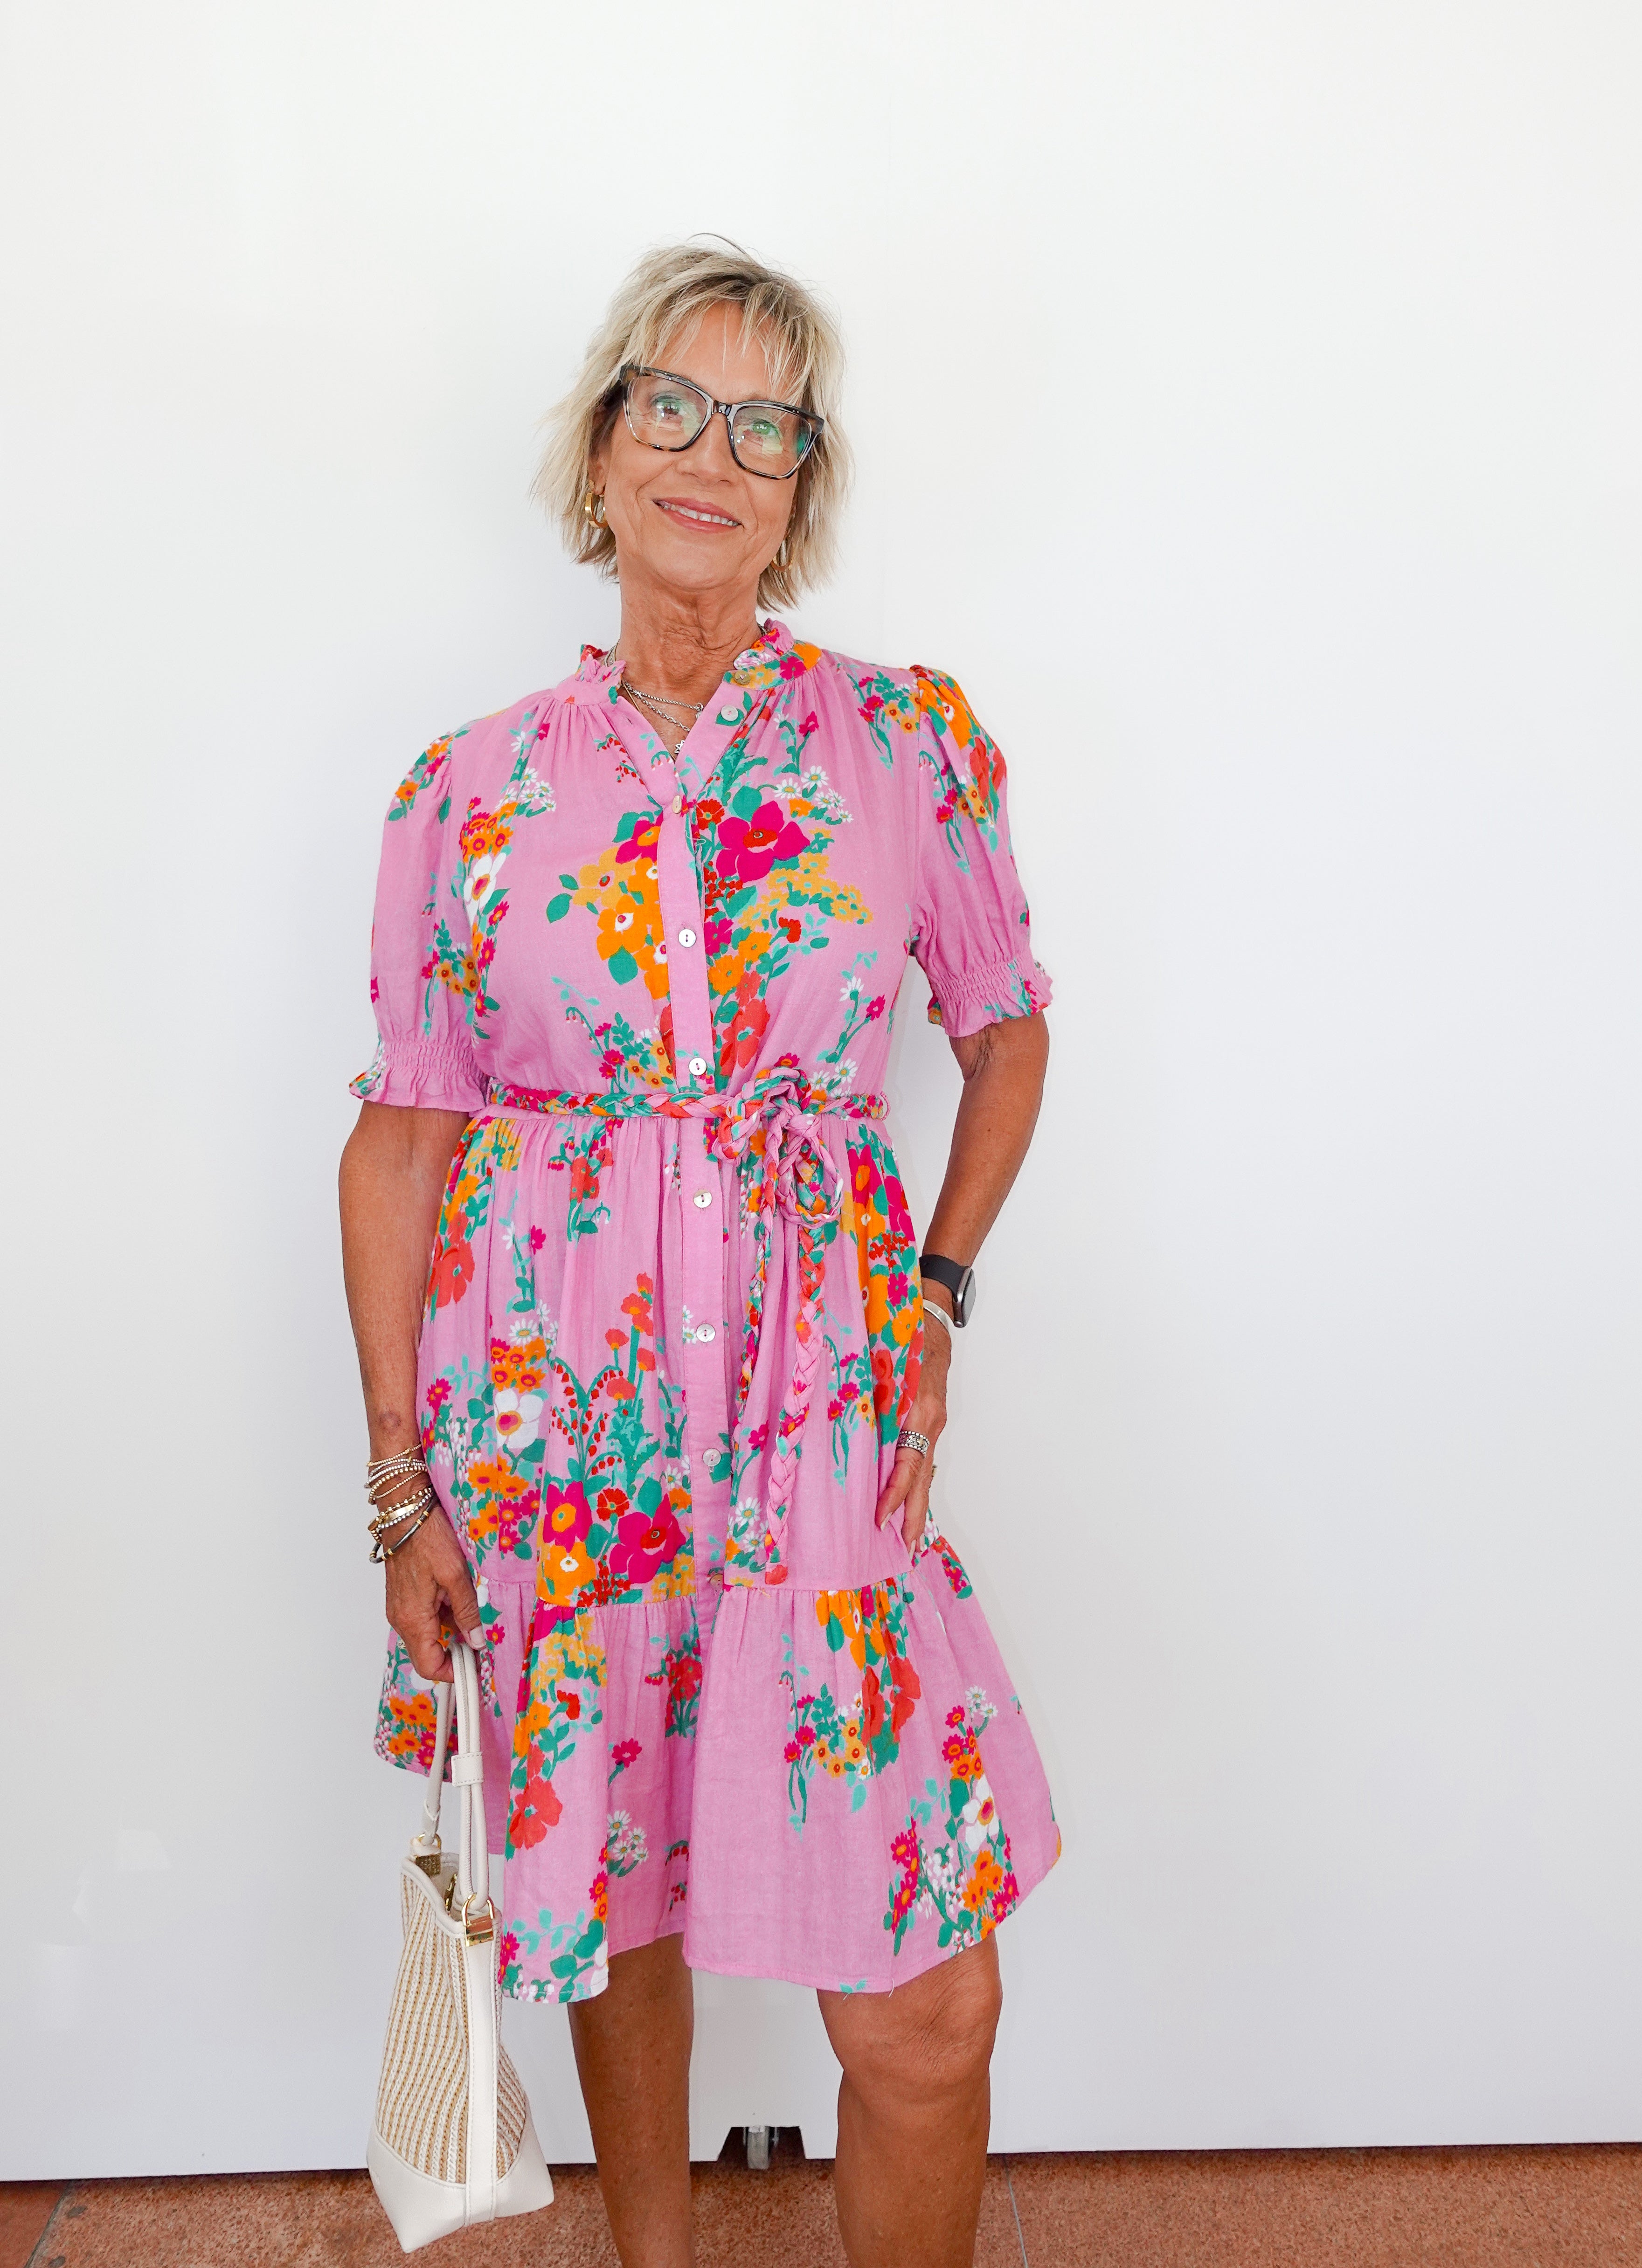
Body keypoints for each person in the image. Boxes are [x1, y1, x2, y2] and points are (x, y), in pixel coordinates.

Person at [339, 240, 1058, 2268]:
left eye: (766, 423)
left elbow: (1006, 1028)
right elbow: (399, 1145)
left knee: (927, 1996)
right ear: (603, 441)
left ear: (802, 487)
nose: (712, 452)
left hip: (823, 1420)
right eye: (674, 401)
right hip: (557, 1422)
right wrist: (401, 1474)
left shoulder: (907, 745)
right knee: (613, 1893)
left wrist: (938, 1283)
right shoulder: (466, 791)